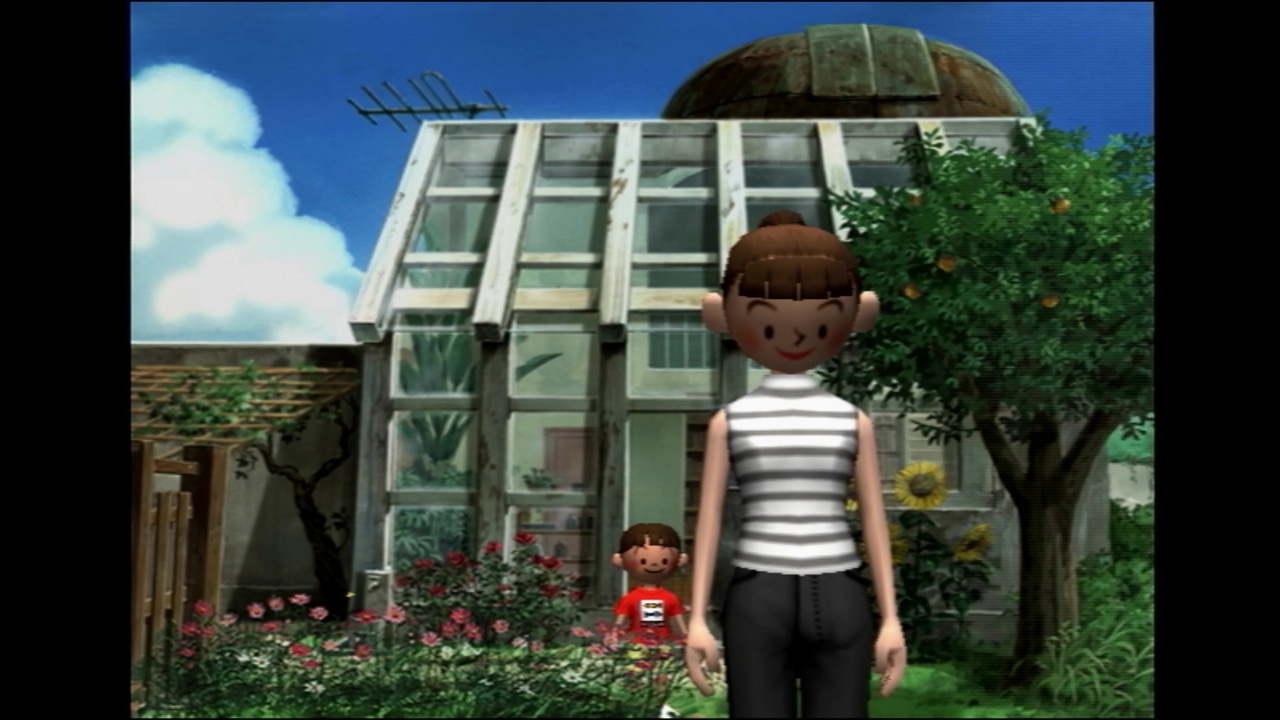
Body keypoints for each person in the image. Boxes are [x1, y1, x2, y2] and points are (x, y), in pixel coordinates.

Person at [682, 210, 906, 718]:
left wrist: (891, 619)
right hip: (774, 592)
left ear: (857, 315)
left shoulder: (852, 421)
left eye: (823, 321)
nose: (798, 336)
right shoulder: (729, 422)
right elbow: (708, 522)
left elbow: (875, 520)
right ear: (721, 315)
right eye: (765, 321)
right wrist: (696, 619)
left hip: (817, 592)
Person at [611, 522, 689, 642]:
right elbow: (620, 620)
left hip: (663, 643)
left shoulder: (670, 598)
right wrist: (613, 635)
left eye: (664, 561)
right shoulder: (630, 598)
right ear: (620, 560)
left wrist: (686, 636)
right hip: (637, 645)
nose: (654, 565)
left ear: (680, 560)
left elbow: (678, 620)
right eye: (643, 561)